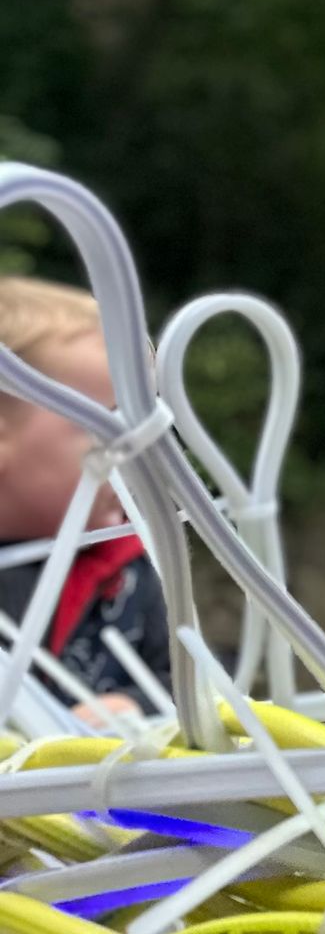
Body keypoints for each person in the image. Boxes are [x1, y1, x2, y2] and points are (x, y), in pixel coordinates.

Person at [0, 276, 170, 711]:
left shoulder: (129, 569)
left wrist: (136, 705)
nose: (136, 453)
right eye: (104, 423)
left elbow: (184, 682)